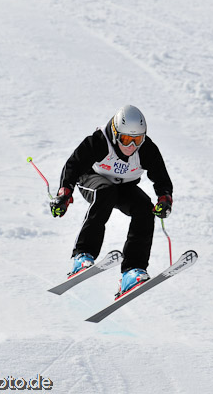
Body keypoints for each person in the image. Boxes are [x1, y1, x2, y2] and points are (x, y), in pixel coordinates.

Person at [50, 105, 173, 296]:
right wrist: (64, 194)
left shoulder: (147, 149)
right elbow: (73, 166)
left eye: (137, 140)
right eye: (125, 139)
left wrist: (164, 200)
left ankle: (132, 271)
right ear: (115, 133)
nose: (131, 147)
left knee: (144, 208)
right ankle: (83, 255)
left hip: (125, 187)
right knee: (106, 193)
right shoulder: (99, 142)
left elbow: (162, 178)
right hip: (93, 179)